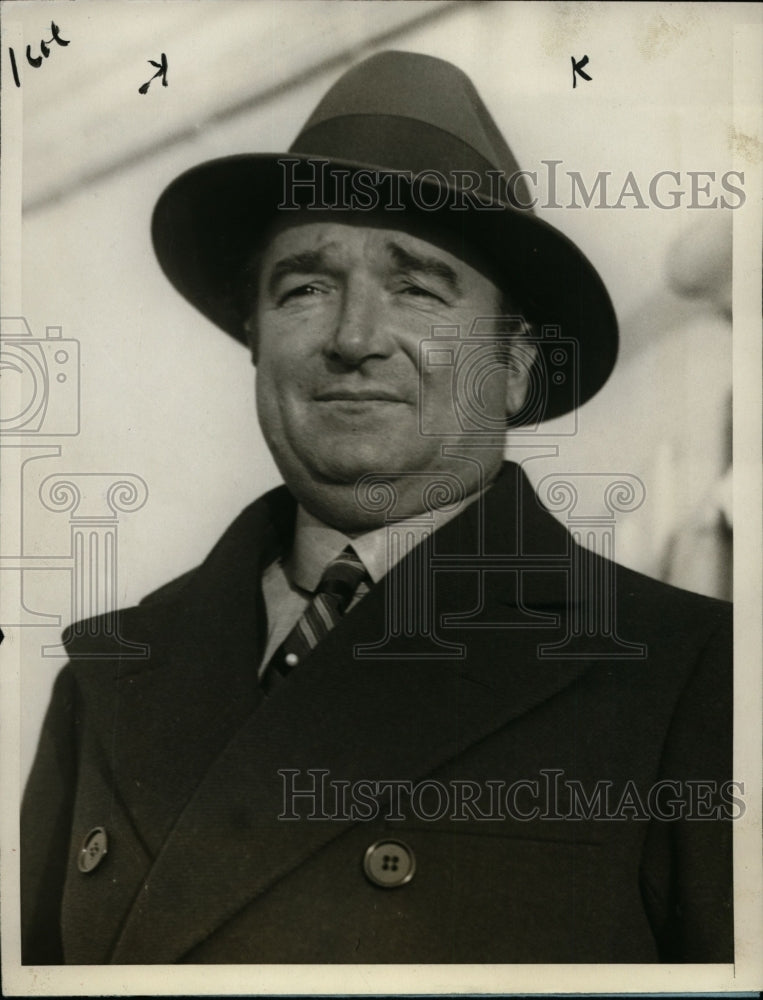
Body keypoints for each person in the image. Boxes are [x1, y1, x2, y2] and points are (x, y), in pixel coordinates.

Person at [21, 50, 732, 965]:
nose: (354, 338)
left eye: (417, 288)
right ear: (254, 341)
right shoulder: (106, 676)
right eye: (306, 288)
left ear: (512, 367)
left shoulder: (691, 677)